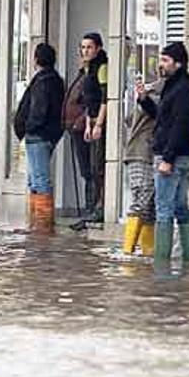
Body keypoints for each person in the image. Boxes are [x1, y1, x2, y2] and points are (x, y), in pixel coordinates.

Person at [135, 42, 189, 262]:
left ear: (178, 64)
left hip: (172, 156)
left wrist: (168, 158)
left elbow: (180, 126)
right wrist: (144, 100)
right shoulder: (175, 86)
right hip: (180, 155)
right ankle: (186, 260)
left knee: (164, 209)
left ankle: (161, 262)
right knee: (180, 206)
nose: (160, 65)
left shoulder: (182, 89)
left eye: (165, 60)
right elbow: (163, 118)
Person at [14, 43, 65, 232]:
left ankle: (41, 225)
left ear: (36, 59)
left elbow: (38, 109)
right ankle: (38, 223)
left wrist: (28, 128)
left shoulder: (43, 81)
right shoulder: (55, 80)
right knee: (36, 178)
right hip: (45, 134)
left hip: (38, 135)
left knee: (39, 179)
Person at [67, 33, 108, 231]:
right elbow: (89, 102)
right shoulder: (87, 70)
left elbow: (105, 99)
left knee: (96, 168)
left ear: (98, 48)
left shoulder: (101, 68)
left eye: (89, 47)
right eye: (83, 47)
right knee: (90, 169)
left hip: (99, 121)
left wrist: (98, 124)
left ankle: (96, 209)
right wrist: (90, 125)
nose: (85, 51)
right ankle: (89, 209)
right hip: (90, 122)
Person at [122, 80, 160, 257]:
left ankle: (147, 252)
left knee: (148, 205)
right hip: (142, 153)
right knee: (143, 199)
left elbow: (128, 119)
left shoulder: (148, 94)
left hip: (137, 153)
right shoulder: (155, 97)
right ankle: (128, 251)